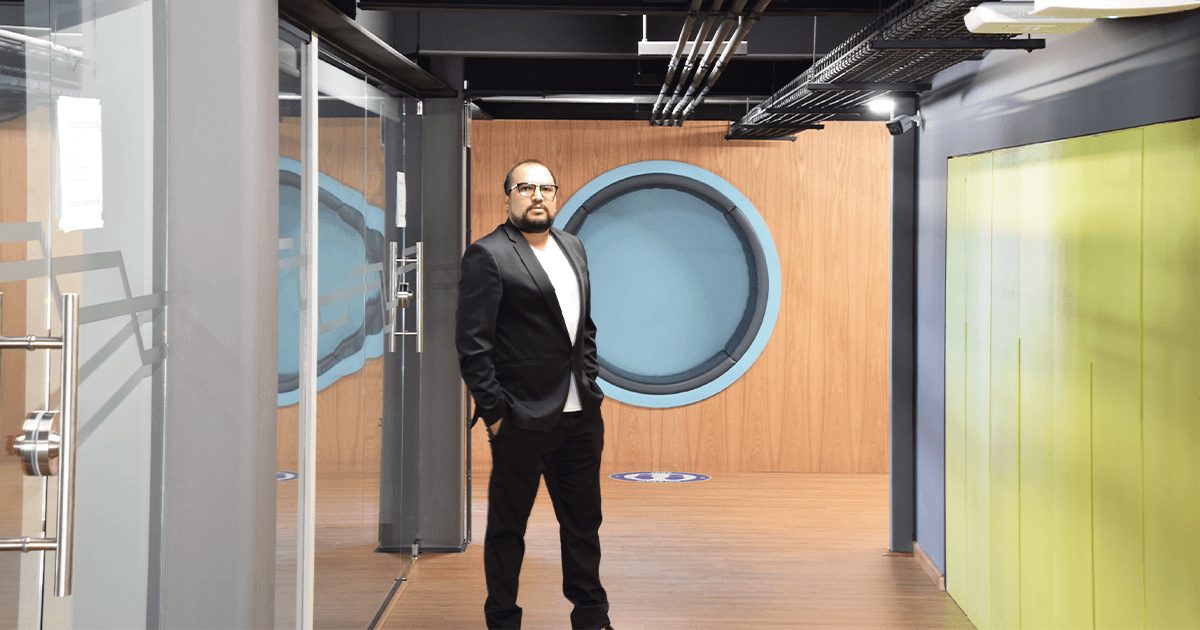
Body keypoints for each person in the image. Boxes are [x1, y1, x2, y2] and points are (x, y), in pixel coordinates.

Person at [455, 159, 612, 630]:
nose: (537, 196)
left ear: (556, 195)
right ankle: (503, 620)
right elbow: (472, 344)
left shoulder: (573, 247)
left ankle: (592, 618)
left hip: (580, 417)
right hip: (520, 420)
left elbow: (583, 328)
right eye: (525, 188)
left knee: (583, 525)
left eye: (546, 188)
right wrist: (496, 413)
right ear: (508, 197)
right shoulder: (487, 255)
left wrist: (589, 381)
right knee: (508, 530)